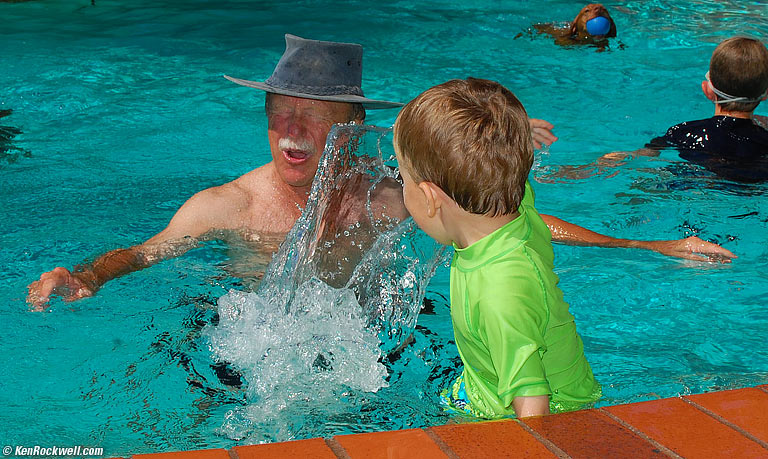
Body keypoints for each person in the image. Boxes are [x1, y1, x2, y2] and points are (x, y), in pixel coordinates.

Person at [27, 34, 734, 309]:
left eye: (315, 114)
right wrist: (85, 273)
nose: (292, 132)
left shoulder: (391, 198)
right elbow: (147, 251)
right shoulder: (229, 205)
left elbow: (507, 223)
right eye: (280, 112)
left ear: (352, 126)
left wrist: (648, 248)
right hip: (253, 348)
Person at [393, 78, 600, 418]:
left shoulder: (499, 291)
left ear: (430, 198)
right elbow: (499, 166)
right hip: (489, 381)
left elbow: (534, 410)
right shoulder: (512, 205)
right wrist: (505, 140)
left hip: (536, 412)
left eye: (403, 179)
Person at [603, 37, 768, 183]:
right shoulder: (763, 140)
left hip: (691, 184)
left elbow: (646, 153)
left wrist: (618, 158)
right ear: (765, 94)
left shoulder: (683, 132)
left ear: (707, 90)